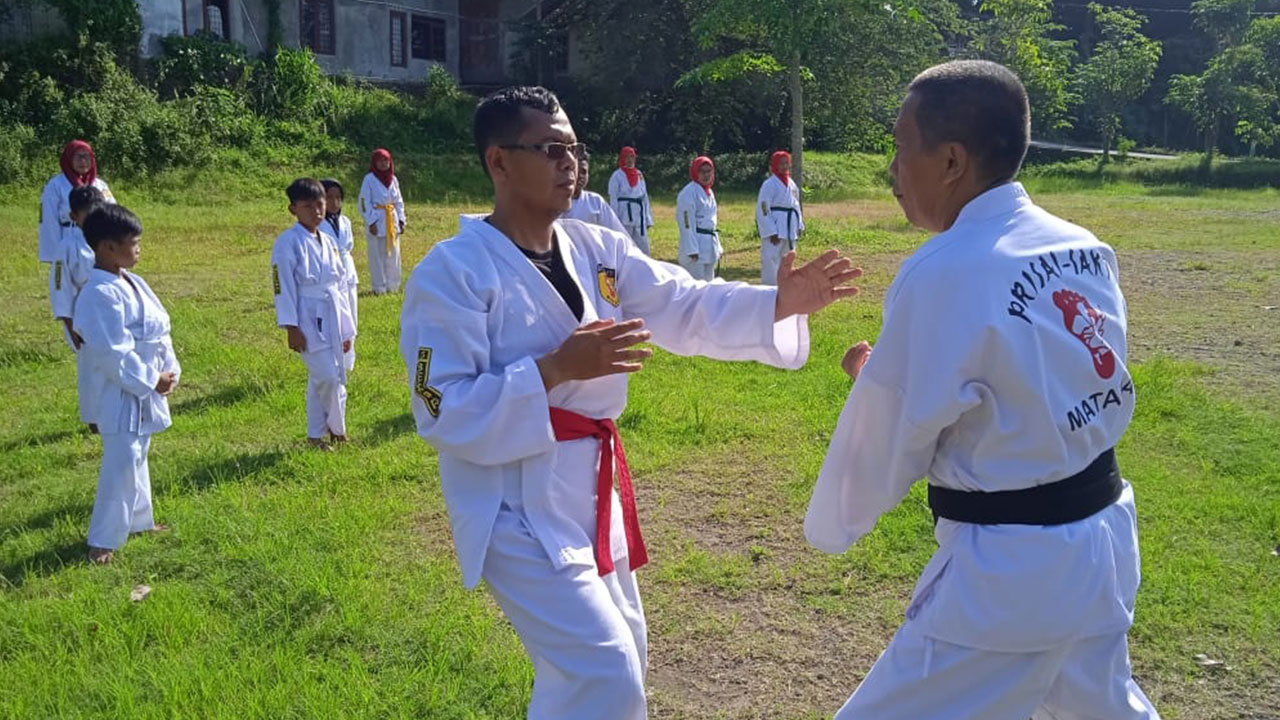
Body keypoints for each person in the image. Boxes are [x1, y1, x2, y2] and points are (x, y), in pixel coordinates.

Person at [399, 86, 860, 720]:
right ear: (499, 162)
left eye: (574, 148)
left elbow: (685, 302)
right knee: (602, 666)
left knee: (618, 659)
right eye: (551, 148)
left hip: (590, 490)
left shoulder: (596, 248)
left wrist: (777, 303)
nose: (571, 163)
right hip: (512, 500)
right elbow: (438, 406)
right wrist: (556, 370)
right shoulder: (451, 272)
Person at [803, 60, 1159, 720]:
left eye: (901, 147)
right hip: (1103, 541)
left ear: (950, 161)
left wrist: (834, 517)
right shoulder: (1083, 247)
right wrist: (897, 376)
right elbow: (1047, 382)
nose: (892, 168)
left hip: (1010, 577)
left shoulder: (943, 272)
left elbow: (892, 437)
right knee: (1101, 709)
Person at [73, 204, 179, 565]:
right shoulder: (97, 293)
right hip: (117, 387)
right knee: (121, 460)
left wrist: (169, 367)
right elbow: (112, 353)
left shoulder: (133, 281)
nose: (138, 249)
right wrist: (151, 380)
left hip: (144, 381)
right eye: (131, 243)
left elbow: (160, 328)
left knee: (138, 453)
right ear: (106, 246)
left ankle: (138, 521)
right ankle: (102, 538)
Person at [271, 178, 356, 450]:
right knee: (327, 377)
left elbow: (341, 285)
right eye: (308, 206)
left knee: (330, 375)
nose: (317, 211)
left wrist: (346, 327)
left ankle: (314, 436)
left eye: (320, 205)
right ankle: (338, 429)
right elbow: (281, 285)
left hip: (333, 312)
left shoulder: (329, 241)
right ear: (293, 209)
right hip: (306, 316)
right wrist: (291, 326)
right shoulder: (288, 242)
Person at [50, 185, 106, 431]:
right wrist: (69, 322)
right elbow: (60, 285)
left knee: (114, 360)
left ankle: (117, 411)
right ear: (74, 216)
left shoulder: (108, 240)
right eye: (86, 213)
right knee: (90, 365)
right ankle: (94, 418)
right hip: (82, 312)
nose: (92, 218)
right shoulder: (68, 247)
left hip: (109, 307)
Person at [39, 140, 116, 265]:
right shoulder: (56, 185)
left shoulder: (100, 185)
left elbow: (112, 212)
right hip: (69, 235)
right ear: (69, 158)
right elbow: (49, 220)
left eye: (86, 156)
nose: (83, 161)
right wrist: (54, 253)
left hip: (96, 239)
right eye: (78, 157)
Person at [321, 178, 359, 371]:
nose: (334, 203)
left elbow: (348, 246)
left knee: (351, 315)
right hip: (329, 273)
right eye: (329, 198)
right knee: (335, 318)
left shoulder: (345, 222)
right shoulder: (318, 225)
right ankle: (334, 359)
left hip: (348, 270)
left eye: (338, 198)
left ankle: (348, 361)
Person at [357, 149, 406, 294]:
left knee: (393, 254)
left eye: (386, 160)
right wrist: (371, 221)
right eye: (380, 161)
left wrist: (402, 219)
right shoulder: (369, 179)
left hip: (392, 218)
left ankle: (394, 285)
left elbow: (399, 201)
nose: (384, 164)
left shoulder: (393, 179)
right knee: (377, 255)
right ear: (375, 163)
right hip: (378, 219)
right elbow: (364, 202)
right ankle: (379, 287)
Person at [756, 150, 804, 285]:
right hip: (776, 228)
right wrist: (771, 231)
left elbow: (795, 205)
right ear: (774, 165)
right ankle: (770, 287)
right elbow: (763, 207)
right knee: (771, 259)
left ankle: (785, 286)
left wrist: (799, 225)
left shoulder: (792, 184)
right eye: (781, 163)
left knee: (787, 259)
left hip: (789, 228)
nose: (784, 166)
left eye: (786, 163)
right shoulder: (769, 184)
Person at [675, 156, 720, 281]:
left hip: (709, 244)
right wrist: (691, 248)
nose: (706, 175)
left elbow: (712, 222)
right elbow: (686, 222)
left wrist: (717, 246)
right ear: (695, 172)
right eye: (702, 172)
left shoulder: (709, 193)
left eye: (708, 171)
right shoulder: (688, 193)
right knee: (696, 285)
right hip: (695, 246)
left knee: (709, 284)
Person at [563, 152, 629, 235]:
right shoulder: (553, 202)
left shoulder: (596, 202)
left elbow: (619, 234)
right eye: (576, 171)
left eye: (584, 172)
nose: (580, 176)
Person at [608, 147, 654, 255]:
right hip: (624, 214)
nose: (630, 160)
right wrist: (615, 218)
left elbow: (644, 196)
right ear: (622, 158)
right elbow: (613, 198)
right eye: (627, 157)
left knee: (643, 247)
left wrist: (647, 218)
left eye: (632, 157)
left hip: (639, 214)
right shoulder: (617, 175)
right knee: (625, 243)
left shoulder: (639, 175)